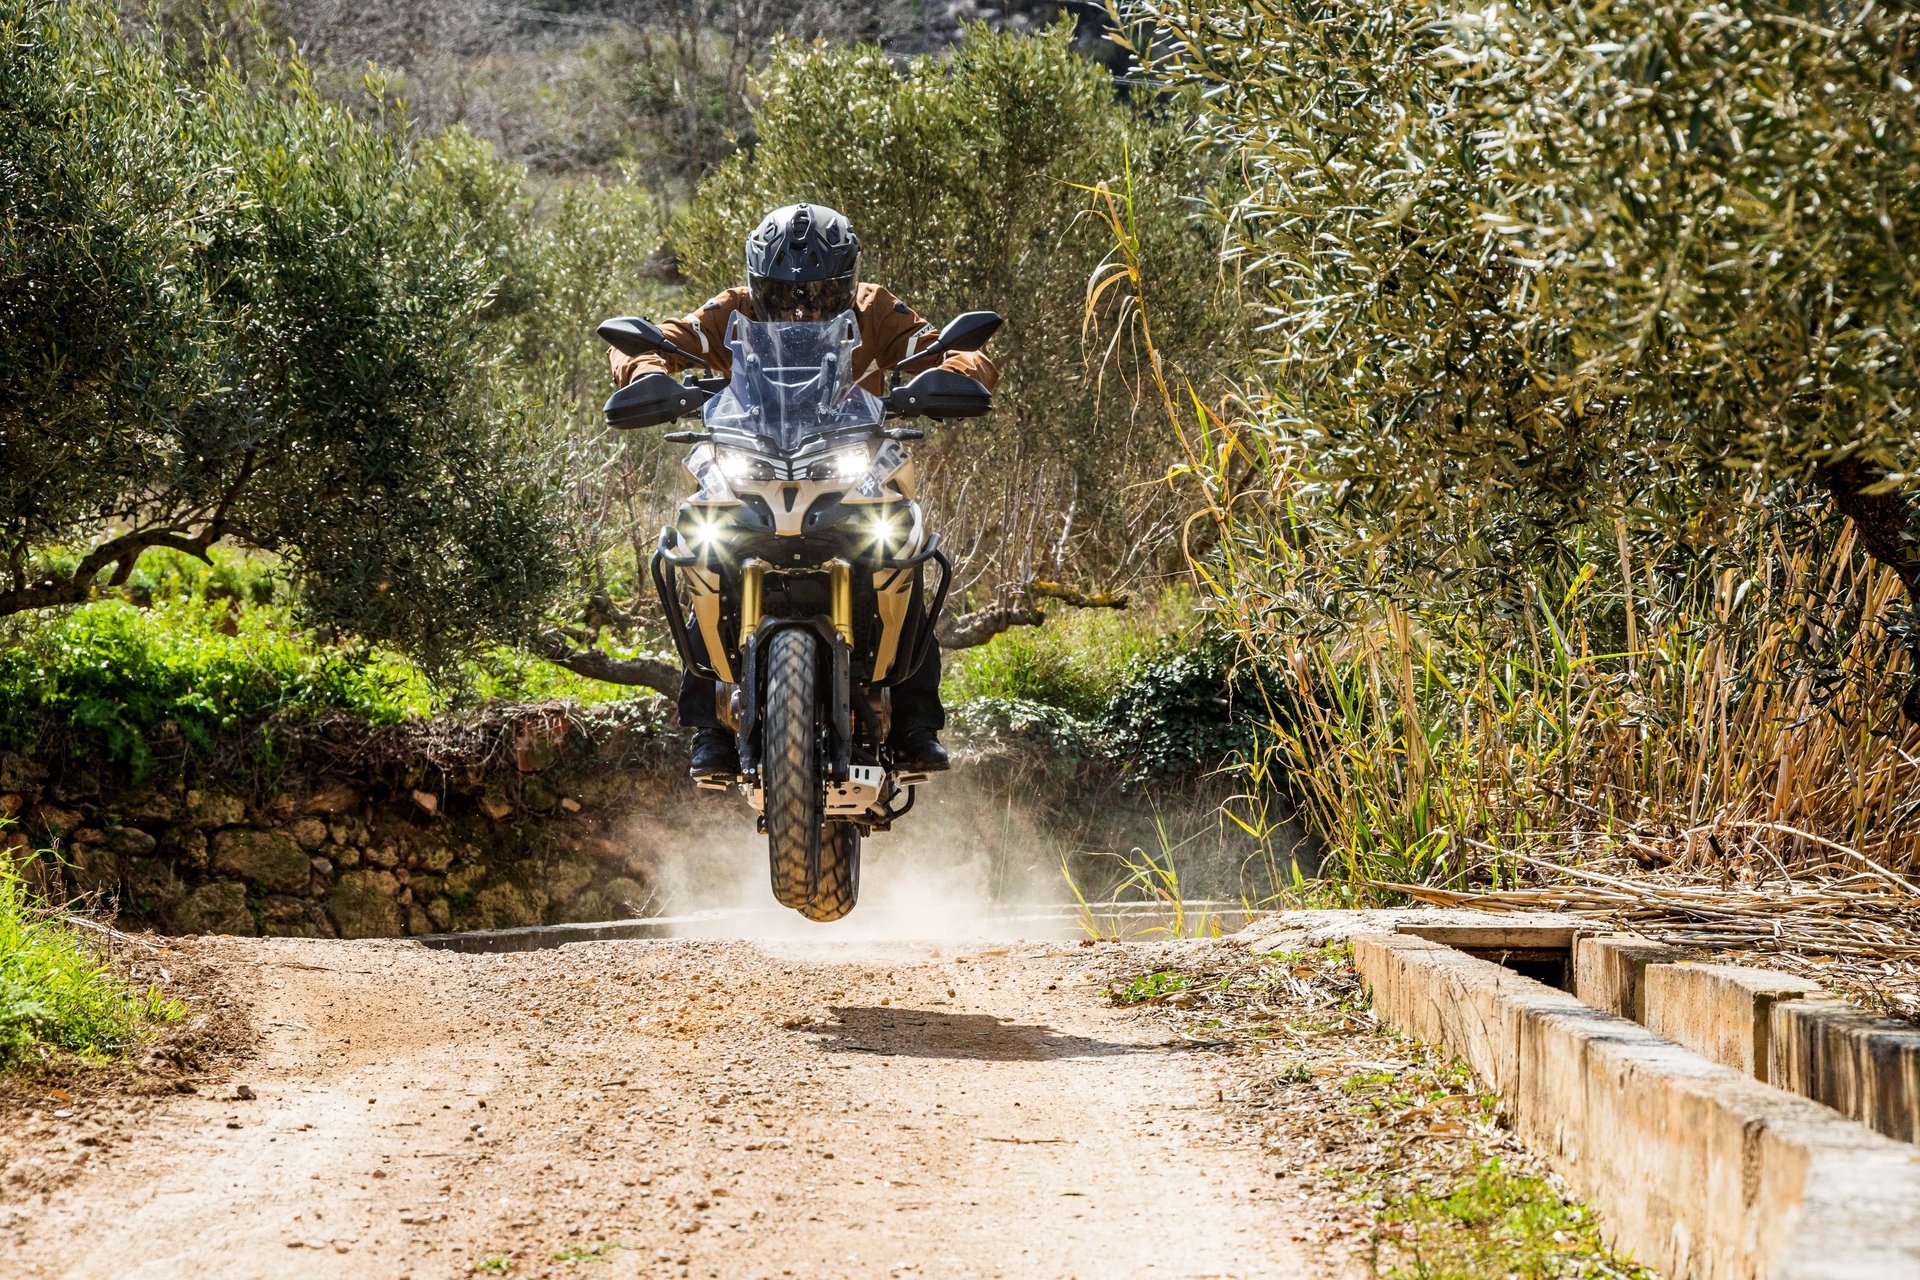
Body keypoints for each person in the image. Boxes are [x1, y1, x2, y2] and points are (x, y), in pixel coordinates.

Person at [609, 203, 996, 781]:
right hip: (751, 457)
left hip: (852, 460)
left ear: (847, 282)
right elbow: (665, 339)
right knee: (702, 551)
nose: (799, 307)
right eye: (783, 293)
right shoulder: (729, 309)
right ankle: (710, 725)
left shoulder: (876, 307)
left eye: (818, 292)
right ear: (756, 283)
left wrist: (956, 373)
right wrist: (647, 373)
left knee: (901, 555)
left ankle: (916, 722)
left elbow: (942, 346)